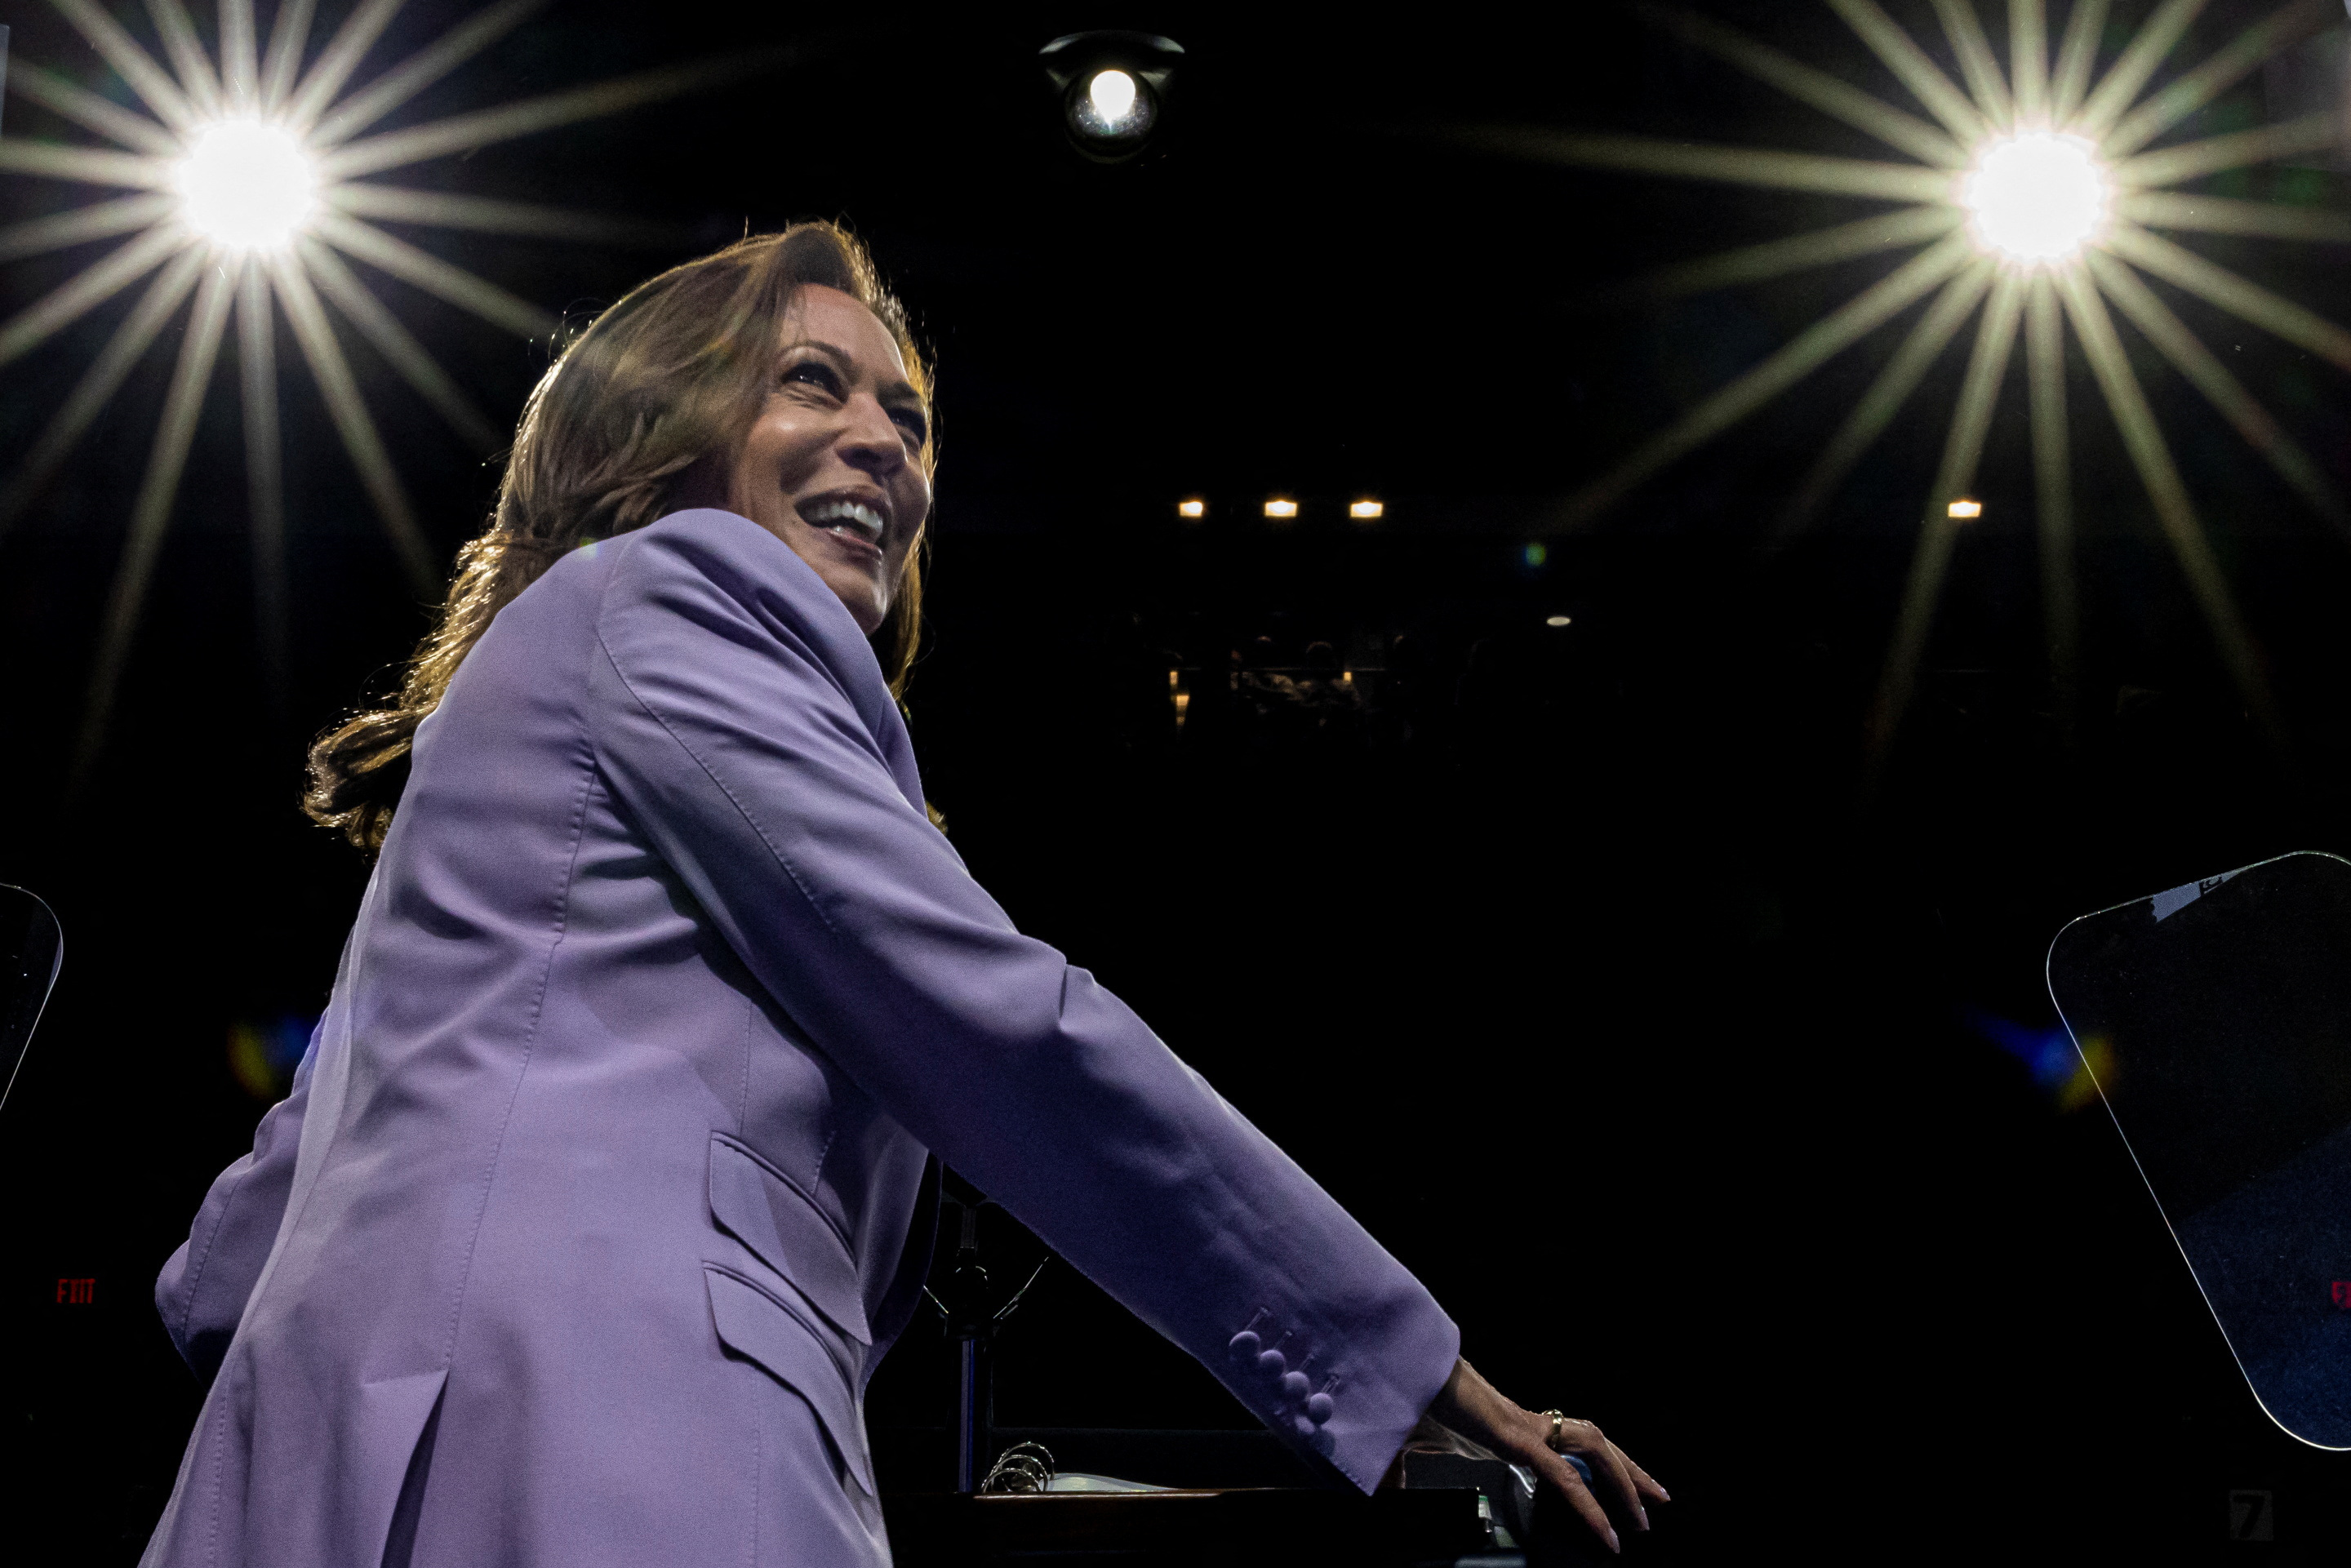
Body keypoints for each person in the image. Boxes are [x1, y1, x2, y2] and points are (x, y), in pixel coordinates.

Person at [140, 224, 1666, 1567]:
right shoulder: (671, 593)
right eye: (815, 382)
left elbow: (267, 1202)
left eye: (910, 416)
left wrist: (338, 1338)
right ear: (666, 426)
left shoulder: (538, 699)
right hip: (599, 1414)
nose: (887, 444)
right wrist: (1388, 1364)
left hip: (348, 1449)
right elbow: (1001, 1018)